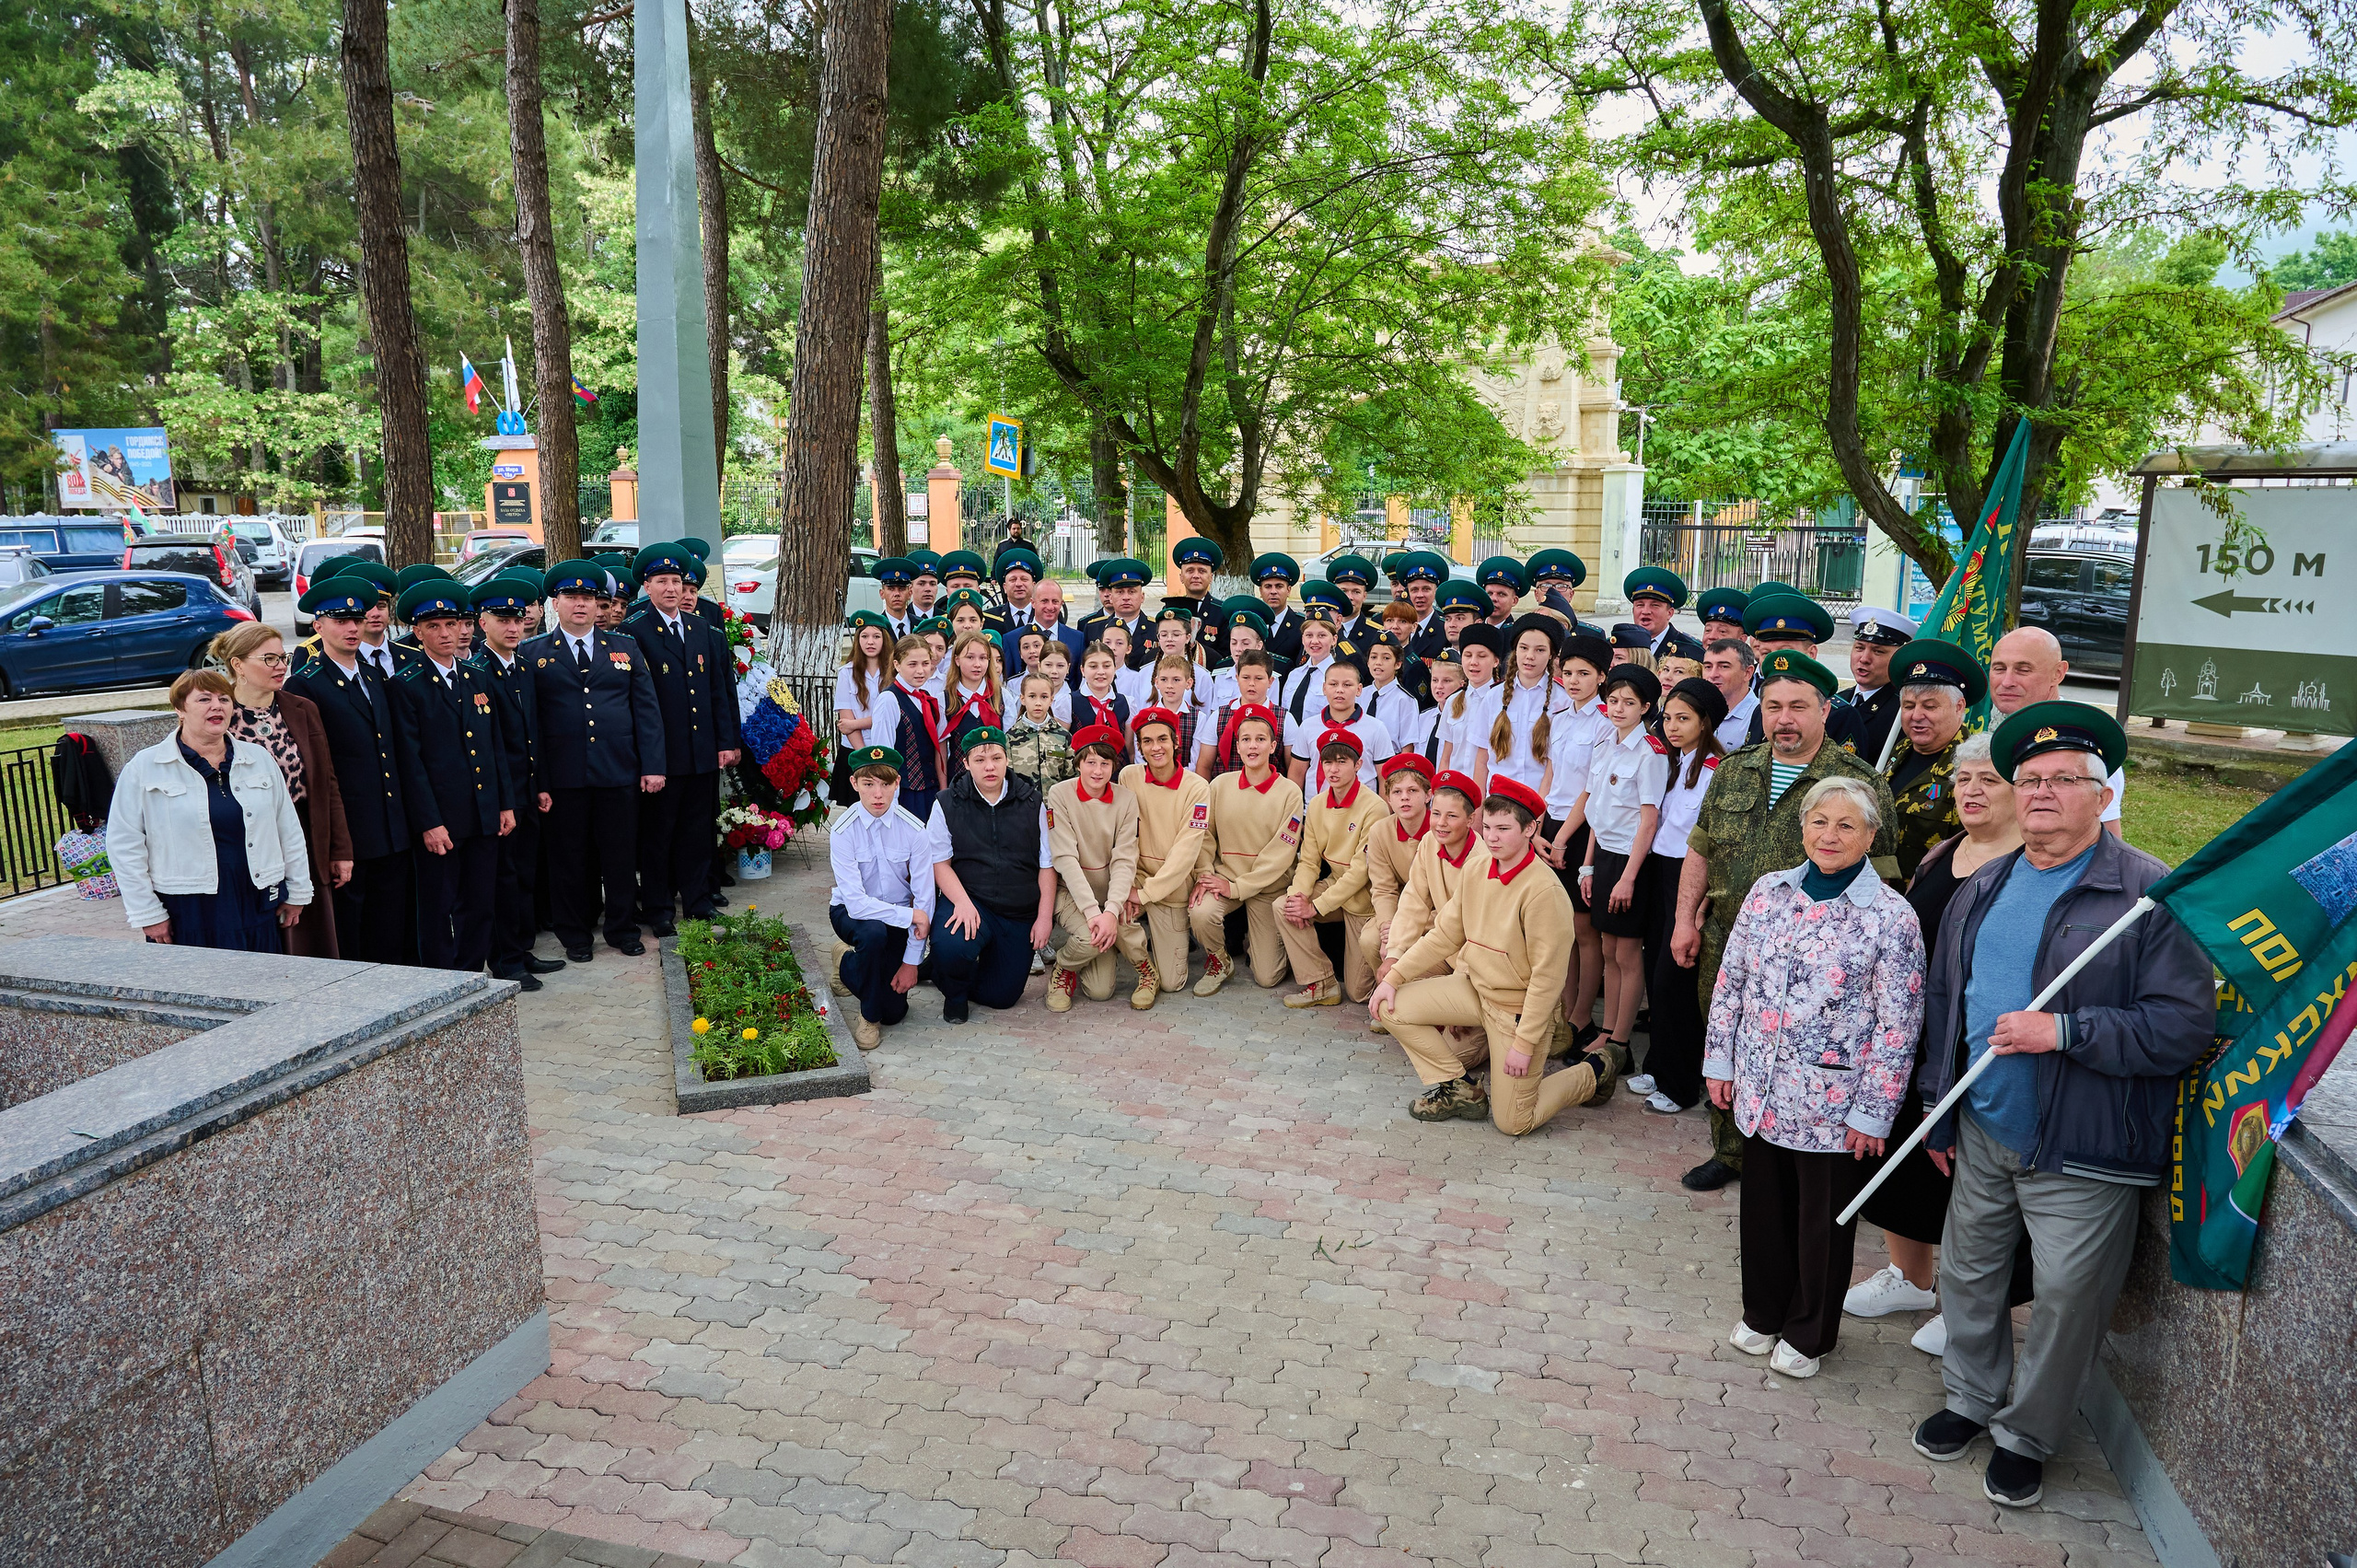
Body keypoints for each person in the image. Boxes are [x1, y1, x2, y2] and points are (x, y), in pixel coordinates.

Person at [1908, 702, 2210, 1509]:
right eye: (2030, 779)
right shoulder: (1988, 881)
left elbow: (2183, 1026)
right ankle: (1970, 1399)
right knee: (1968, 1274)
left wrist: (2067, 1029)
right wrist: (1940, 1101)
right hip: (1984, 1124)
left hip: (2083, 1143)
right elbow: (1948, 996)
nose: (2042, 793)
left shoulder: (2147, 894)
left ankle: (2027, 1434)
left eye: (2064, 780)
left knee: (2070, 1296)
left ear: (2102, 795)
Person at [1705, 776, 1924, 1380]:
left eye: (1847, 824)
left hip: (1835, 1102)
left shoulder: (1890, 916)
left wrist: (1874, 1111)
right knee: (1765, 1211)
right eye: (1819, 821)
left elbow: (1898, 1023)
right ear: (1802, 828)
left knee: (1821, 1224)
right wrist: (1720, 1062)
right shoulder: (1768, 892)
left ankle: (1809, 1332)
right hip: (1763, 1086)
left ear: (1870, 834)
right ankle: (1763, 1311)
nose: (1830, 834)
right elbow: (1733, 981)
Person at [1671, 648, 1898, 1191]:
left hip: (1821, 955)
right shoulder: (1734, 770)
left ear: (1825, 709)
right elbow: (1699, 851)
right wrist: (1684, 920)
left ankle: (1794, 1156)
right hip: (1729, 936)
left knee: (1804, 1052)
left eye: (1798, 706)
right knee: (1727, 1040)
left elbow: (1886, 880)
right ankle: (1731, 1151)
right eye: (1773, 707)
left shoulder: (1859, 783)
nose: (1784, 720)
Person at [1845, 729, 2027, 1356]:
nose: (1971, 791)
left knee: (1970, 1181)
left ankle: (1969, 1304)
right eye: (1964, 780)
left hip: (1983, 1042)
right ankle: (1910, 1277)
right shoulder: (1943, 851)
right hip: (1916, 1036)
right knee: (1903, 1165)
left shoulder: (2028, 862)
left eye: (1989, 781)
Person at [1369, 776, 1606, 1131]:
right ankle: (1461, 1089)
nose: (1492, 837)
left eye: (1504, 829)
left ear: (1530, 829)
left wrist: (1524, 1043)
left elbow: (1548, 979)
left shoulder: (1545, 892)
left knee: (1514, 1123)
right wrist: (1395, 976)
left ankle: (1595, 1071)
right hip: (1475, 991)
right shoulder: (1478, 868)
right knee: (1390, 1005)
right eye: (1489, 827)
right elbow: (1446, 933)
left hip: (1516, 1010)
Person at [522, 560, 668, 963]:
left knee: (620, 855)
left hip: (618, 770)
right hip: (563, 774)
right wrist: (540, 780)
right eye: (572, 597)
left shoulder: (624, 647)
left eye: (588, 598)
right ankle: (575, 934)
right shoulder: (533, 654)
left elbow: (646, 710)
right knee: (568, 858)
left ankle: (622, 929)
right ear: (556, 603)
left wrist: (653, 765)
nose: (581, 605)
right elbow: (530, 723)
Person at [109, 668, 313, 952]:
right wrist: (147, 913)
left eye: (224, 699)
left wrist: (299, 890)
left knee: (265, 983)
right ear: (180, 709)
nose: (217, 706)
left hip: (256, 897)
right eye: (204, 699)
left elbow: (288, 829)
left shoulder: (258, 759)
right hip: (188, 906)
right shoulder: (145, 767)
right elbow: (124, 844)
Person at [288, 574, 418, 964]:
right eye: (339, 621)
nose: (350, 628)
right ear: (318, 626)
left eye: (356, 620)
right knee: (353, 926)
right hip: (351, 827)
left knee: (393, 921)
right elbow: (316, 767)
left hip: (391, 824)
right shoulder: (305, 684)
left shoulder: (377, 676)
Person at [389, 578, 515, 974]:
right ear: (417, 632)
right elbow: (410, 763)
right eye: (434, 627)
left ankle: (471, 975)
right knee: (438, 906)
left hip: (482, 813)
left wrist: (505, 803)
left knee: (480, 902)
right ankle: (441, 981)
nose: (446, 633)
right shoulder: (405, 686)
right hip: (441, 819)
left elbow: (495, 747)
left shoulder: (476, 677)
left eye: (452, 624)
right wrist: (429, 822)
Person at [622, 541, 743, 934]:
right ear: (647, 586)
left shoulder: (703, 630)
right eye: (662, 581)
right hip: (663, 758)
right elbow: (634, 704)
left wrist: (727, 741)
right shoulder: (633, 633)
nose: (672, 589)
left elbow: (720, 692)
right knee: (658, 837)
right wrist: (646, 759)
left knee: (697, 833)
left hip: (702, 753)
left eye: (677, 581)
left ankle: (698, 902)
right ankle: (658, 910)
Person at [218, 622, 351, 960]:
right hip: (247, 840)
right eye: (269, 659)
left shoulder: (301, 708)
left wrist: (340, 849)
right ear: (238, 665)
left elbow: (327, 782)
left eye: (283, 657)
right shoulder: (220, 715)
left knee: (311, 939)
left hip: (305, 835)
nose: (281, 666)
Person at [1624, 676, 1724, 1116]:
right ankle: (1658, 1064)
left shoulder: (1714, 771)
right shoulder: (1676, 762)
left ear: (1706, 723)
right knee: (1655, 973)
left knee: (1675, 981)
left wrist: (1701, 902)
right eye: (1668, 717)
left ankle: (1682, 1082)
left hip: (1688, 877)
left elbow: (1710, 840)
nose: (1672, 726)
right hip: (1661, 873)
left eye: (1684, 718)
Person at [1563, 665, 1666, 1075]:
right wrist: (1587, 866)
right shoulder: (1606, 744)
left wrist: (1627, 877)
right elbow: (1594, 813)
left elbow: (1648, 819)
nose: (1618, 708)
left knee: (1626, 952)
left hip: (1632, 862)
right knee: (1606, 948)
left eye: (1629, 703)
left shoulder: (1650, 753)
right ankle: (1606, 1031)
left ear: (1645, 707)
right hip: (1604, 856)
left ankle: (1621, 1041)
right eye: (1614, 700)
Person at [471, 574, 565, 990]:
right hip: (499, 797)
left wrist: (541, 783)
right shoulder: (476, 672)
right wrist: (502, 800)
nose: (513, 627)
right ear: (482, 622)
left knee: (525, 873)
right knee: (503, 879)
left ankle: (522, 948)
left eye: (518, 619)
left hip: (527, 791)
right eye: (502, 619)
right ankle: (505, 960)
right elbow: (486, 747)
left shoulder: (524, 666)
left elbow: (535, 733)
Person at [926, 726, 1057, 1023]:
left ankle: (938, 971)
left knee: (1004, 996)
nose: (989, 766)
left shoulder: (1031, 801)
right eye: (980, 760)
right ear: (966, 763)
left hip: (1017, 910)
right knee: (952, 945)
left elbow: (1046, 865)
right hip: (971, 900)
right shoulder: (946, 803)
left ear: (1006, 759)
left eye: (996, 758)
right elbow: (939, 863)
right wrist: (961, 902)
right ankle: (955, 994)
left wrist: (1044, 916)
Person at [1187, 706, 1306, 994]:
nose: (1253, 746)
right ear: (1237, 745)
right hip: (1226, 878)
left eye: (1261, 739)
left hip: (1267, 887)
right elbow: (1204, 837)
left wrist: (1237, 887)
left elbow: (1280, 856)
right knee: (1201, 913)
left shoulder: (1290, 792)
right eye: (1246, 739)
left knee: (1268, 977)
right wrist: (1206, 876)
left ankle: (1263, 942)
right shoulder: (1218, 785)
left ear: (1273, 746)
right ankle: (1219, 961)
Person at [829, 745, 935, 1051]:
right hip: (851, 914)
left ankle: (846, 961)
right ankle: (867, 1018)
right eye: (868, 784)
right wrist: (910, 917)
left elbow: (924, 900)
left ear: (897, 783)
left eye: (886, 784)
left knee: (896, 1012)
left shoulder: (915, 830)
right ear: (854, 784)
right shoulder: (843, 831)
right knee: (873, 934)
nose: (878, 794)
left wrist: (911, 962)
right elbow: (857, 902)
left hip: (901, 918)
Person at [1043, 723, 1155, 1010]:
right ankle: (1064, 968)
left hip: (1111, 894)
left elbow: (1124, 858)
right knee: (1093, 954)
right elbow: (1065, 858)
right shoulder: (1060, 794)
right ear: (1078, 762)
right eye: (1090, 762)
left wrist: (1112, 909)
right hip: (1073, 893)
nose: (1097, 771)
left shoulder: (1126, 799)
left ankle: (1146, 971)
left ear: (1113, 766)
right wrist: (1095, 913)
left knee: (1100, 991)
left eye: (1105, 763)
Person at [1275, 729, 1389, 1006]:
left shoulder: (1374, 807)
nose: (1333, 769)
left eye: (1341, 761)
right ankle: (1321, 982)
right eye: (1328, 762)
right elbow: (1310, 861)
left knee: (1358, 993)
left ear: (1358, 764)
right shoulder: (1315, 804)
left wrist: (1315, 907)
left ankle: (1391, 992)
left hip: (1365, 901)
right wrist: (1300, 896)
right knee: (1284, 905)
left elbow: (1361, 873)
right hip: (1336, 890)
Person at [1987, 626, 2124, 834]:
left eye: (2023, 670)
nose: (2007, 682)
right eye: (1999, 668)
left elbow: (2108, 841)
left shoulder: (2081, 742)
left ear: (2058, 673)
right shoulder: (1992, 722)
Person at [1120, 706, 1213, 1002]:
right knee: (1110, 918)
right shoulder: (1128, 777)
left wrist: (1144, 894)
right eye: (1147, 741)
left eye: (1162, 739)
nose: (1155, 747)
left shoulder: (1196, 787)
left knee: (1173, 984)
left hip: (1170, 887)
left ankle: (1162, 956)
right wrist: (1126, 888)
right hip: (1135, 881)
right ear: (1140, 747)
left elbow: (1186, 853)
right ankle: (1145, 969)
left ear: (1176, 742)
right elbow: (1122, 835)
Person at [1882, 638, 1985, 879]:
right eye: (1908, 706)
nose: (1917, 715)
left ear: (1959, 707)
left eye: (1929, 706)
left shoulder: (1974, 768)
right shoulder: (1899, 751)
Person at [1738, 594, 1860, 749]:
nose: (1776, 663)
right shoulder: (1760, 709)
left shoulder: (1841, 716)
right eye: (1766, 654)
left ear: (1812, 654)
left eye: (1786, 653)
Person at [1474, 617, 1569, 796]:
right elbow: (1481, 758)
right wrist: (1478, 811)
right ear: (1515, 650)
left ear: (1551, 654)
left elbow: (1558, 764)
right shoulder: (1493, 696)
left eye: (1540, 650)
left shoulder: (1563, 699)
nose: (1530, 656)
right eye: (1523, 648)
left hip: (1540, 800)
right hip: (1498, 800)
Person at [1361, 753, 1433, 980]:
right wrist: (1388, 927)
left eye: (1413, 791)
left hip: (1434, 915)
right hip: (1399, 909)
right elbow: (1383, 888)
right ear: (1388, 798)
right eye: (1397, 792)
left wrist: (1403, 931)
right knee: (1370, 939)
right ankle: (1386, 984)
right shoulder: (1380, 831)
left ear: (1429, 795)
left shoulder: (1440, 830)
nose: (1405, 798)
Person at [868, 635, 946, 824]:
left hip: (930, 789)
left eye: (925, 663)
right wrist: (889, 799)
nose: (920, 671)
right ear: (897, 664)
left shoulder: (925, 697)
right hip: (905, 792)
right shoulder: (889, 700)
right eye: (912, 664)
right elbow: (883, 753)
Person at [1836, 607, 1917, 762]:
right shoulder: (1837, 700)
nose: (1864, 658)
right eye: (1859, 648)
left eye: (1878, 651)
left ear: (1899, 658)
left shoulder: (1903, 712)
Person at [1076, 558, 1155, 668]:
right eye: (1120, 592)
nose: (1126, 597)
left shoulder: (1156, 628)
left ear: (1142, 597)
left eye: (1132, 592)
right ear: (1111, 597)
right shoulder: (1093, 628)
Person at [1701, 638, 1759, 750]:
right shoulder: (1696, 710)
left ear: (1748, 673)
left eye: (1724, 667)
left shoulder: (1761, 717)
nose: (1713, 675)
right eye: (1708, 667)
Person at [1248, 553, 1305, 663]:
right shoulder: (1251, 624)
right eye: (1268, 586)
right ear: (1260, 591)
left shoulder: (1301, 626)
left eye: (1279, 586)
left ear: (1288, 590)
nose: (1273, 591)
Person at [1622, 567, 1688, 661]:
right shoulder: (1620, 645)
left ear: (1670, 613)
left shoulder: (1685, 649)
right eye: (1640, 605)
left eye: (1655, 605)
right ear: (1633, 610)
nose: (1645, 611)